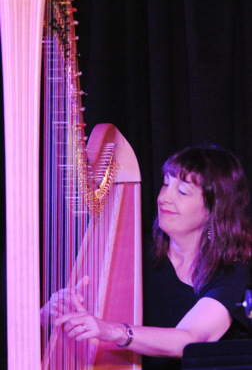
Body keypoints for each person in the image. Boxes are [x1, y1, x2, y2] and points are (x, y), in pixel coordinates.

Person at [52, 145, 252, 369]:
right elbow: (77, 320)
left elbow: (190, 338)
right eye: (166, 184)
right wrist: (55, 312)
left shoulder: (231, 272)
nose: (164, 198)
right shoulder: (134, 253)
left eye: (182, 191)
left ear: (215, 209)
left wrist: (114, 331)